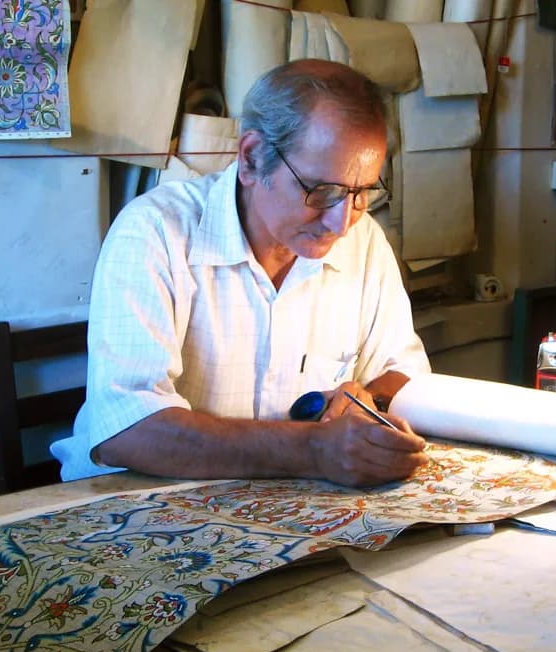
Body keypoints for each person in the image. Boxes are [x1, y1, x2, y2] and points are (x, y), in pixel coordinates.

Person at [51, 59, 431, 487]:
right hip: (139, 500)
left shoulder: (363, 243)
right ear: (251, 159)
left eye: (361, 193)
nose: (341, 223)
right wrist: (313, 449)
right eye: (321, 191)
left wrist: (366, 399)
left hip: (283, 502)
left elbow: (407, 376)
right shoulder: (155, 232)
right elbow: (127, 430)